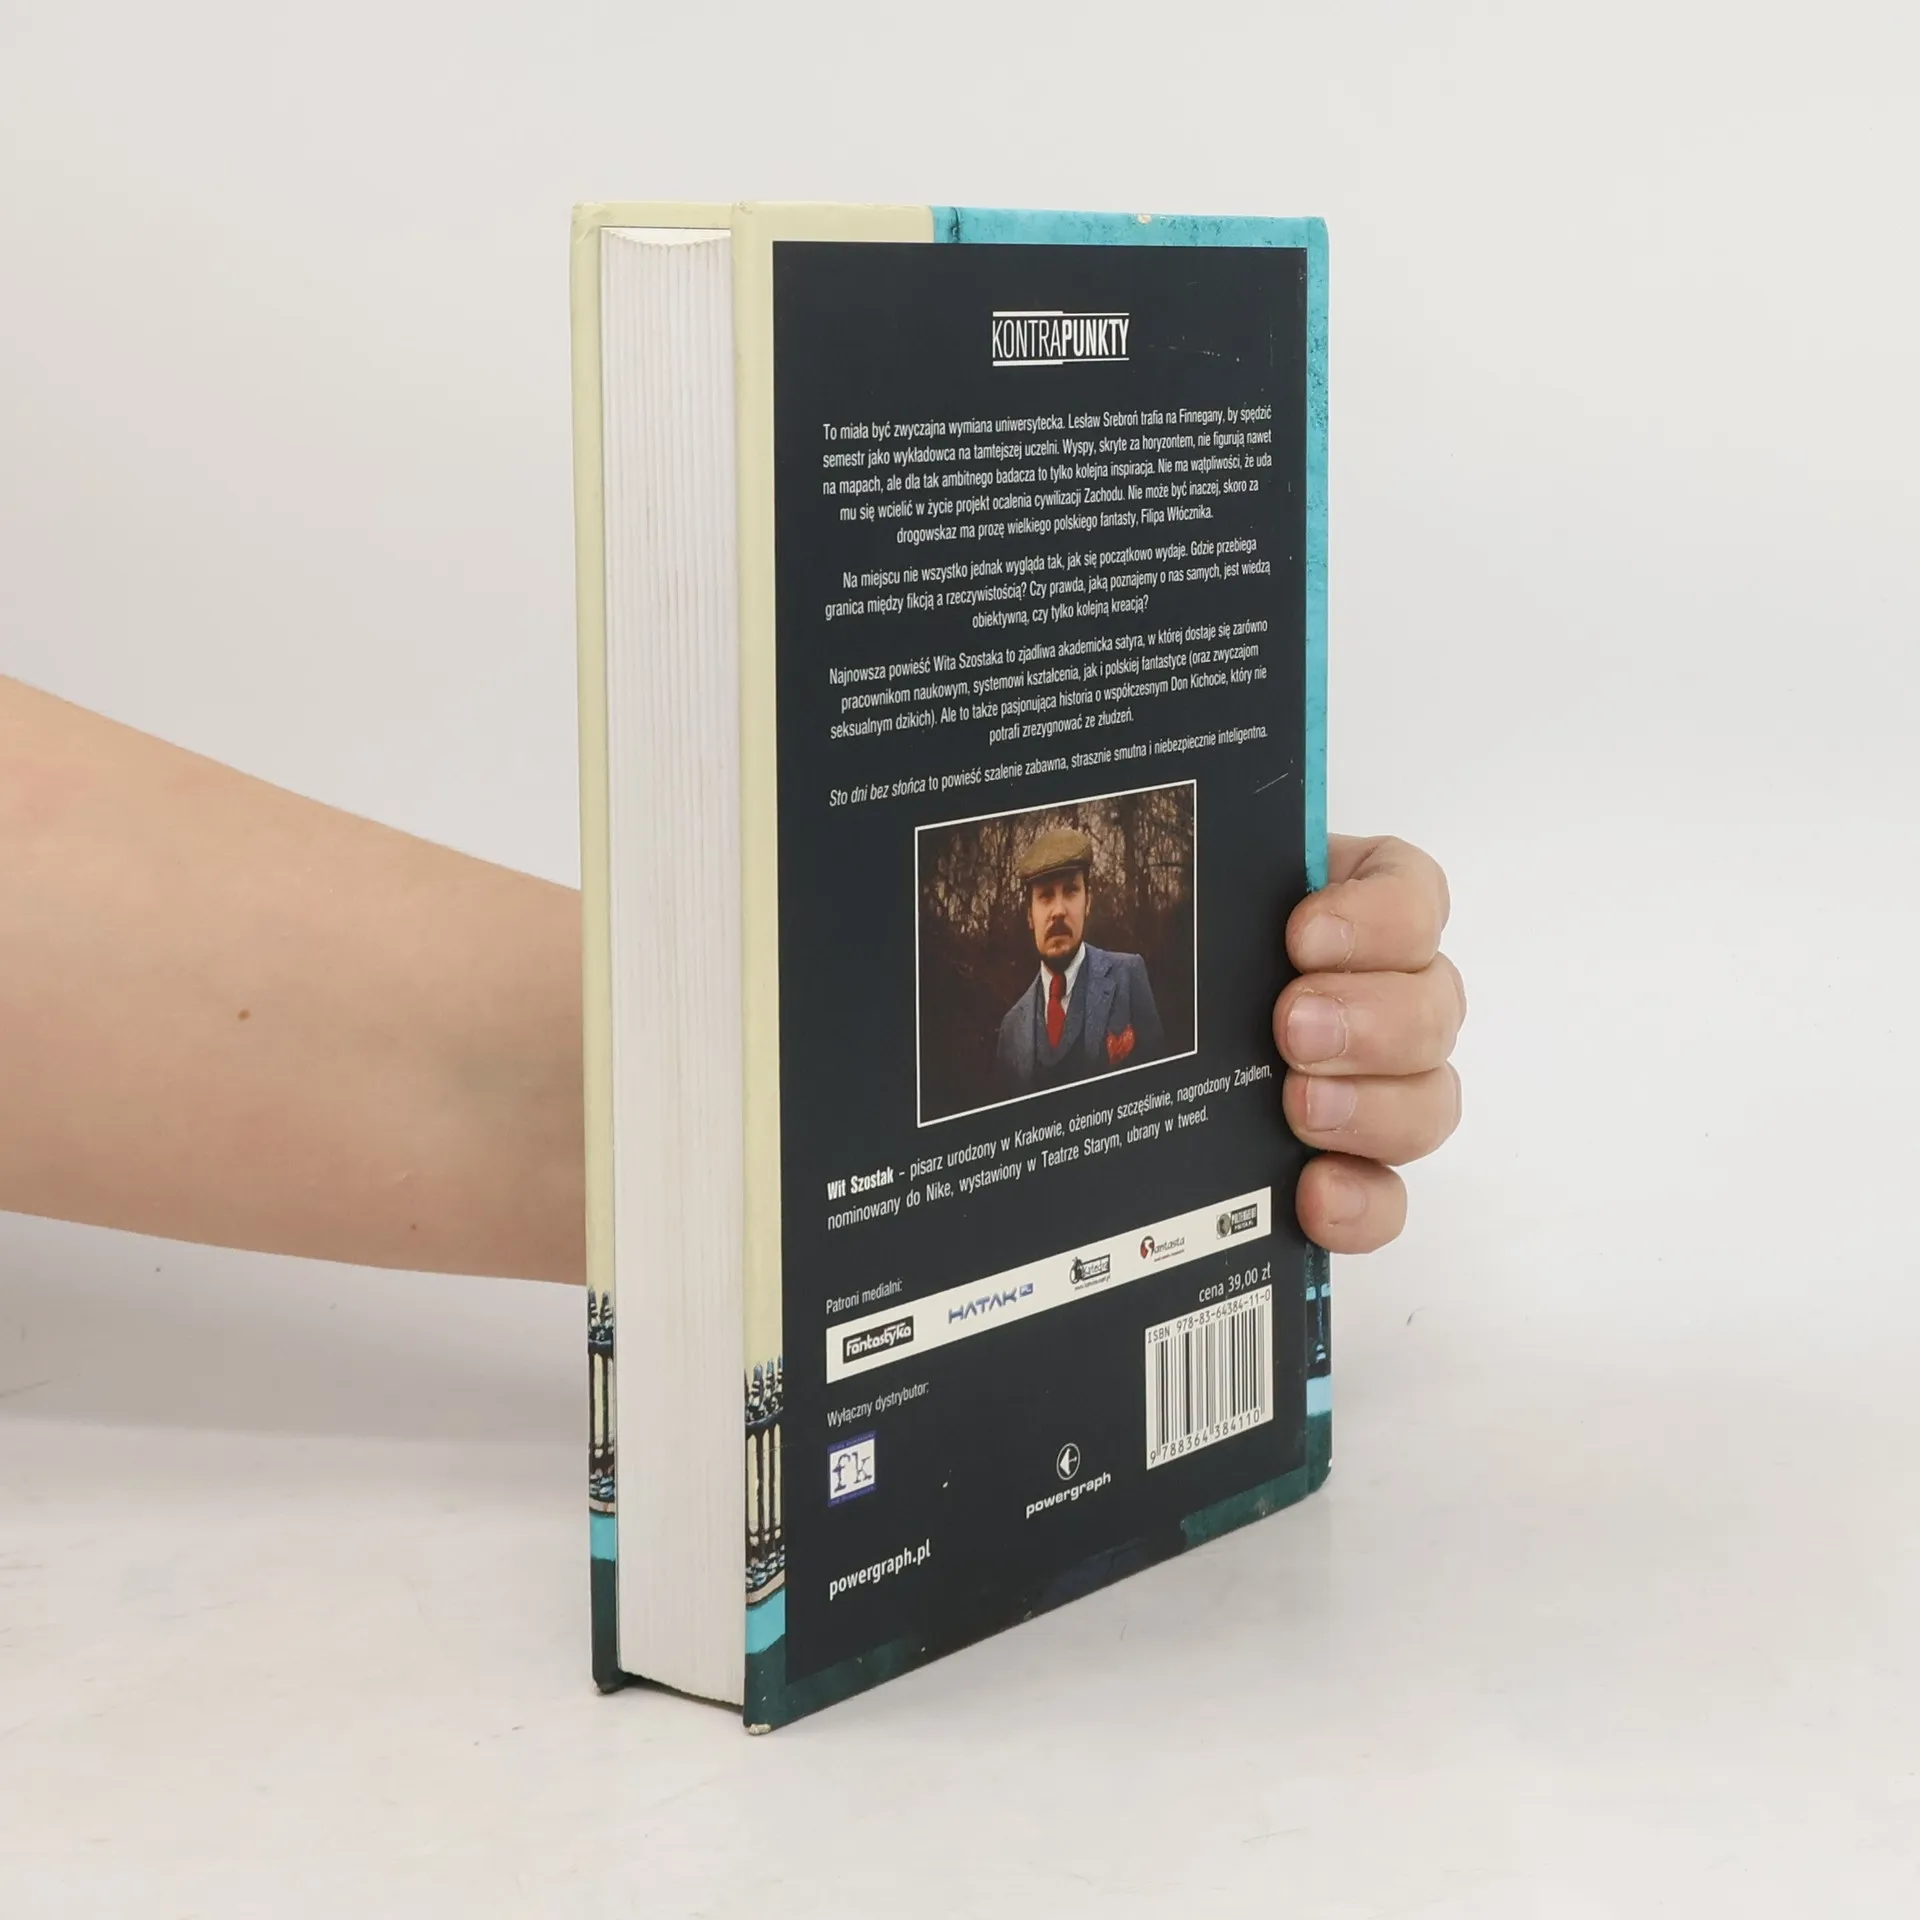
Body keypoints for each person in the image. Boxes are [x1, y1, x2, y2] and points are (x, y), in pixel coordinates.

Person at [0, 673, 1463, 1270]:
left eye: (1077, 889)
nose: (1062, 913)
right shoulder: (1015, 1018)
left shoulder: (1122, 983)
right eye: (1047, 893)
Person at [994, 825, 1166, 1096]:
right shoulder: (1011, 1028)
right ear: (1029, 915)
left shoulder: (1128, 976)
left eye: (1071, 890)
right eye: (1045, 896)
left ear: (1088, 903)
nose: (1058, 911)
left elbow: (1161, 1090)